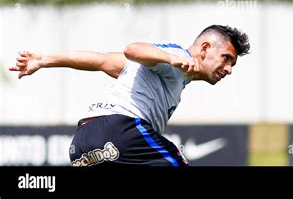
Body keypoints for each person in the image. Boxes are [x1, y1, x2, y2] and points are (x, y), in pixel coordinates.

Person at [9, 25, 250, 167]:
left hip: (83, 140)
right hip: (121, 131)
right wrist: (171, 58)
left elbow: (102, 60)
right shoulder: (172, 57)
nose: (228, 69)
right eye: (226, 58)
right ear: (205, 49)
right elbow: (132, 49)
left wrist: (44, 60)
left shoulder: (147, 71)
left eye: (233, 64)